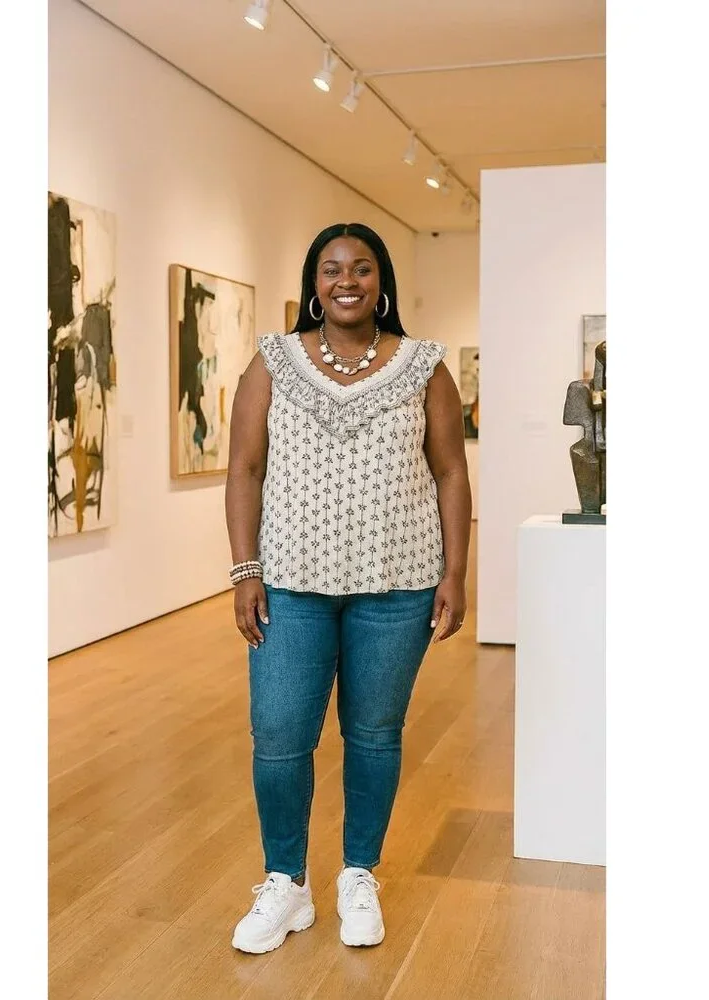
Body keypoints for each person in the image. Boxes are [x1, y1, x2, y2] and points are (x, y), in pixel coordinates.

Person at [223, 222, 472, 954]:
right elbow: (244, 469)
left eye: (361, 268)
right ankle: (286, 882)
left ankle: (359, 873)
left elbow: (451, 471)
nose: (347, 281)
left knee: (373, 734)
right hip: (290, 585)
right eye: (331, 269)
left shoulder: (425, 366)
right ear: (314, 282)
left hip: (398, 584)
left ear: (381, 281)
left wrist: (457, 573)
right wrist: (244, 569)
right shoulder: (272, 361)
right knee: (279, 735)